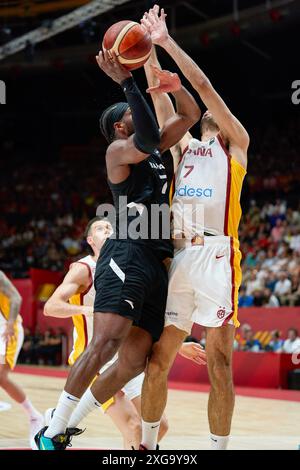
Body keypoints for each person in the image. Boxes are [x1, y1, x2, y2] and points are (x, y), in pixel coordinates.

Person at [35, 46, 202, 450]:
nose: (138, 109)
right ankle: (54, 429)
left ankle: (61, 428)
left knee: (133, 361)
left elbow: (191, 115)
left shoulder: (155, 147)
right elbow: (145, 135)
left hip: (156, 261)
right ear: (119, 128)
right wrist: (127, 81)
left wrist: (176, 88)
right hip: (127, 252)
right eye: (130, 110)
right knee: (105, 344)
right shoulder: (118, 152)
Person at [139, 4, 249, 449]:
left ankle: (217, 448)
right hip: (182, 258)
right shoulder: (185, 149)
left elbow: (201, 87)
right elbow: (160, 97)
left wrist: (167, 42)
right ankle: (146, 446)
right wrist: (146, 51)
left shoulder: (237, 145)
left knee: (220, 362)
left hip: (218, 258)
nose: (209, 117)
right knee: (158, 358)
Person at [42, 217, 205, 449]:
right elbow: (51, 306)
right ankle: (59, 421)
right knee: (133, 426)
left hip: (126, 356)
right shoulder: (84, 268)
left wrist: (179, 346)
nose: (107, 230)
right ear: (90, 240)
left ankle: (59, 419)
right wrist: (93, 310)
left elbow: (139, 323)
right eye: (101, 228)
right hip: (95, 359)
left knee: (160, 425)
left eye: (110, 227)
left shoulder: (129, 266)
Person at [0, 270, 44, 449]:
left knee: (0, 376)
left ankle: (34, 416)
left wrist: (10, 324)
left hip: (7, 328)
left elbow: (16, 298)